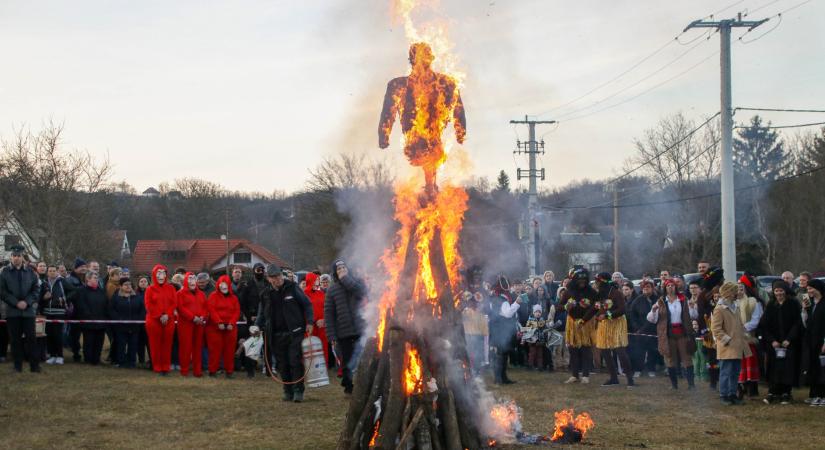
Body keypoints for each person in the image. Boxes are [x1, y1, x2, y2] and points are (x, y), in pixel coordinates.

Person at [257, 264, 314, 402]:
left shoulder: (293, 288)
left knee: (295, 361)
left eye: (279, 275)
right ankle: (287, 391)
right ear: (269, 279)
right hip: (275, 334)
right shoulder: (265, 294)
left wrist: (310, 322)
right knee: (283, 364)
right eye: (274, 277)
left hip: (295, 332)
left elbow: (307, 304)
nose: (278, 279)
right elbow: (261, 314)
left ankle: (298, 391)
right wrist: (256, 326)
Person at [647, 279, 699, 390]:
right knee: (670, 359)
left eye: (672, 285)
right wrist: (653, 310)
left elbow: (694, 316)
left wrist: (692, 307)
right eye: (668, 285)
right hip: (668, 334)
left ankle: (691, 385)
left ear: (676, 287)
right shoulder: (661, 301)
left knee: (687, 358)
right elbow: (651, 319)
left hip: (682, 333)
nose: (670, 287)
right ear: (665, 288)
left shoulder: (683, 299)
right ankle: (674, 385)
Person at [324, 259, 366, 394]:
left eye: (343, 267)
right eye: (339, 268)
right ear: (335, 272)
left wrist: (346, 279)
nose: (341, 270)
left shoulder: (355, 283)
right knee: (347, 360)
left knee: (362, 358)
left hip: (360, 329)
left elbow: (362, 292)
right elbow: (328, 314)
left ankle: (362, 383)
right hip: (343, 331)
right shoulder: (332, 290)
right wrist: (331, 335)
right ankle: (348, 386)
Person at [760, 281, 802, 405]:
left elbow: (797, 323)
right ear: (773, 292)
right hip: (774, 343)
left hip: (789, 342)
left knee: (787, 368)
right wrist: (772, 340)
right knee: (773, 367)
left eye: (781, 290)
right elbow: (764, 325)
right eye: (776, 291)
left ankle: (786, 393)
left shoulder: (793, 304)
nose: (779, 293)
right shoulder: (771, 305)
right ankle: (773, 392)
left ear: (785, 291)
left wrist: (789, 339)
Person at [0, 245, 41, 373]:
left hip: (28, 312)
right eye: (14, 256)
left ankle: (34, 366)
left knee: (31, 338)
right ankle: (17, 366)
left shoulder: (30, 272)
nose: (16, 258)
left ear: (22, 257)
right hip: (12, 311)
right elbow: (2, 291)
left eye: (19, 256)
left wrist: (27, 302)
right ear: (11, 257)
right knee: (15, 340)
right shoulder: (4, 272)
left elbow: (36, 290)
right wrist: (16, 303)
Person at [711, 282, 751, 406]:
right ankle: (724, 395)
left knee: (735, 372)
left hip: (738, 345)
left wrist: (744, 334)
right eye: (735, 291)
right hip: (727, 346)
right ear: (729, 293)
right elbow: (716, 329)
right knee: (725, 372)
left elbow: (738, 324)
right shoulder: (719, 309)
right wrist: (727, 340)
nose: (738, 293)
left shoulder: (736, 306)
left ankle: (732, 394)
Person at [593, 272, 634, 387]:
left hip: (617, 323)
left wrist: (606, 315)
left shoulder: (616, 293)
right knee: (604, 350)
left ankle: (630, 379)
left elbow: (622, 310)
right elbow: (597, 308)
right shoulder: (600, 294)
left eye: (597, 281)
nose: (596, 284)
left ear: (603, 282)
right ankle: (613, 378)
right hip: (604, 324)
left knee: (620, 351)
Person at [561, 268, 597, 384]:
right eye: (580, 279)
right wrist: (567, 306)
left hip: (586, 323)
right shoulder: (568, 291)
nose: (582, 282)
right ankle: (574, 375)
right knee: (573, 349)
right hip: (572, 322)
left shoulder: (591, 292)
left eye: (584, 279)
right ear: (575, 279)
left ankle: (586, 375)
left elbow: (595, 307)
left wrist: (585, 318)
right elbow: (559, 306)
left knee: (586, 349)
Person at [144, 265, 177, 375]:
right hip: (154, 321)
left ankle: (166, 366)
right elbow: (148, 305)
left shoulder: (171, 288)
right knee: (155, 344)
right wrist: (159, 315)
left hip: (169, 320)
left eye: (163, 273)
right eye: (158, 273)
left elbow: (174, 303)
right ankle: (157, 366)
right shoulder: (150, 289)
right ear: (154, 275)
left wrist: (167, 315)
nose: (160, 276)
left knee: (167, 344)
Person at [206, 275, 240, 378]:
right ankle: (212, 371)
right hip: (215, 328)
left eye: (225, 284)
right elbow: (211, 310)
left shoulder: (234, 298)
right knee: (215, 350)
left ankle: (229, 371)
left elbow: (237, 312)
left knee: (229, 350)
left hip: (230, 328)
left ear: (229, 285)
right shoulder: (213, 296)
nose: (223, 286)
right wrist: (219, 322)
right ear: (218, 285)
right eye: (221, 284)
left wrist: (231, 323)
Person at [736, 274, 763, 399]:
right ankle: (740, 388)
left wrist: (744, 327)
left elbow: (756, 319)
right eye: (737, 288)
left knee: (749, 362)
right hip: (736, 338)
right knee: (739, 363)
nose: (739, 291)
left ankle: (751, 389)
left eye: (742, 288)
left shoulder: (753, 302)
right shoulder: (733, 302)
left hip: (748, 337)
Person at [489, 275, 520, 384]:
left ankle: (502, 378)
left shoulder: (495, 296)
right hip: (502, 329)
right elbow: (507, 313)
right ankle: (499, 379)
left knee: (502, 354)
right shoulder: (503, 299)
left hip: (497, 328)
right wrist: (517, 303)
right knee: (501, 355)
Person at [176, 272, 207, 377]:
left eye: (194, 279)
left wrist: (202, 316)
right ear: (185, 281)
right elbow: (180, 308)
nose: (192, 281)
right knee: (185, 347)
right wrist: (193, 317)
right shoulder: (180, 294)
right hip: (186, 324)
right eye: (189, 279)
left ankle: (197, 370)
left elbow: (205, 308)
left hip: (199, 324)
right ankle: (184, 370)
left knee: (198, 347)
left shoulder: (202, 294)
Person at [74, 272, 109, 365]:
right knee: (89, 342)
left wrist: (105, 317)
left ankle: (96, 359)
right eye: (94, 277)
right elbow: (81, 305)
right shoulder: (82, 291)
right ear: (88, 279)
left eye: (97, 278)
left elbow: (106, 305)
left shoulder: (101, 291)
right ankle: (88, 359)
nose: (96, 279)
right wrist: (89, 316)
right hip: (88, 322)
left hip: (101, 322)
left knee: (99, 342)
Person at [109, 278, 145, 368]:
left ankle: (131, 362)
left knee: (133, 345)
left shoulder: (137, 297)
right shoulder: (116, 297)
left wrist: (138, 320)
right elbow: (111, 310)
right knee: (121, 345)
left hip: (134, 326)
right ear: (121, 286)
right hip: (121, 326)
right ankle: (121, 362)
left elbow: (142, 309)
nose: (128, 286)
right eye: (125, 284)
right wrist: (118, 319)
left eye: (129, 284)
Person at [802, 279, 825, 406]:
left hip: (822, 341)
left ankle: (823, 395)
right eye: (808, 289)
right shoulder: (811, 304)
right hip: (812, 341)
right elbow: (806, 323)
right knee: (814, 368)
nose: (809, 291)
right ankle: (815, 394)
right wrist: (804, 310)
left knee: (823, 369)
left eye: (811, 288)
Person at [628, 280, 658, 379]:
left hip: (653, 330)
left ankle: (651, 369)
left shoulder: (657, 299)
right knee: (639, 351)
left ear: (652, 288)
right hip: (640, 330)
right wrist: (637, 328)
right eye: (644, 287)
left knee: (652, 351)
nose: (646, 288)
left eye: (648, 287)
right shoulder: (637, 300)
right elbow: (632, 315)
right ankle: (638, 369)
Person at [63, 258, 87, 362]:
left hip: (84, 311)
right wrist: (77, 292)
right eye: (81, 267)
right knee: (75, 335)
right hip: (74, 311)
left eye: (84, 267)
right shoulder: (69, 280)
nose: (83, 269)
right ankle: (76, 353)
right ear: (76, 268)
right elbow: (67, 295)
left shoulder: (85, 279)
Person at [42, 265, 67, 364]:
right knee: (49, 334)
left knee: (58, 334)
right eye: (50, 271)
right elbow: (39, 296)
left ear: (57, 272)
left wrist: (64, 299)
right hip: (47, 312)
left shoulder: (62, 281)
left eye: (54, 270)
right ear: (47, 272)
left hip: (59, 312)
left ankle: (60, 356)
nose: (52, 272)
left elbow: (74, 291)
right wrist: (44, 298)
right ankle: (52, 355)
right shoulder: (44, 283)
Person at [304, 272, 329, 365]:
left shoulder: (321, 293)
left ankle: (323, 367)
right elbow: (303, 310)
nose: (317, 282)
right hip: (310, 326)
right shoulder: (304, 294)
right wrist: (313, 321)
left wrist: (324, 320)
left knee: (323, 347)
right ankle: (311, 370)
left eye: (318, 280)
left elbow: (326, 307)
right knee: (311, 348)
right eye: (315, 280)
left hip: (322, 326)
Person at [462, 292, 488, 376]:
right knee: (472, 353)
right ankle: (473, 370)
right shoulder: (466, 312)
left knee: (477, 353)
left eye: (475, 302)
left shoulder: (479, 312)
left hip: (476, 335)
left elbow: (483, 324)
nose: (474, 304)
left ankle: (476, 370)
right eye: (472, 302)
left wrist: (485, 333)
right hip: (470, 335)